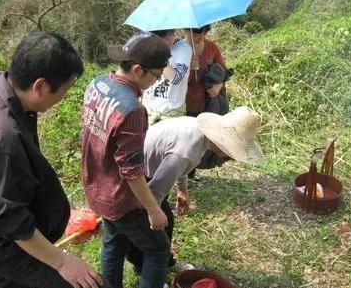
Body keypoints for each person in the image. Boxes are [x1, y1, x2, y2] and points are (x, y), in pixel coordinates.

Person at [0, 31, 106, 288]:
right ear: (40, 86)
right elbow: (9, 220)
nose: (63, 98)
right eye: (64, 91)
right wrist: (64, 263)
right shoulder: (3, 139)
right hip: (5, 244)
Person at [81, 33, 171, 288]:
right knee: (158, 250)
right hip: (120, 198)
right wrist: (153, 209)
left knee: (114, 242)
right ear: (137, 69)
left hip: (97, 186)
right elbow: (131, 170)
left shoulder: (97, 84)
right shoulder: (131, 109)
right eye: (155, 74)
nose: (156, 81)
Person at [126, 106, 264, 274]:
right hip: (138, 176)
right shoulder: (187, 151)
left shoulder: (198, 134)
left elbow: (178, 166)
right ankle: (145, 269)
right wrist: (153, 213)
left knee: (166, 219)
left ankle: (165, 264)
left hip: (152, 169)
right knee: (150, 231)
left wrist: (182, 189)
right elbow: (154, 192)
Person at [185, 24, 227, 179]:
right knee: (188, 138)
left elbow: (224, 71)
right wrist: (189, 68)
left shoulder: (211, 47)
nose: (199, 37)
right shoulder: (179, 51)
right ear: (185, 31)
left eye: (203, 33)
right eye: (195, 34)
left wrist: (217, 87)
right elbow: (171, 80)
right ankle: (185, 173)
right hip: (186, 104)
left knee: (204, 137)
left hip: (208, 103)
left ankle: (197, 169)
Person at [142, 29, 193, 123]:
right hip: (148, 109)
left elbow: (175, 78)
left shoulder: (183, 48)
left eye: (170, 35)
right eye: (162, 38)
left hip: (171, 113)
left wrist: (159, 54)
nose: (167, 40)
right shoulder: (147, 47)